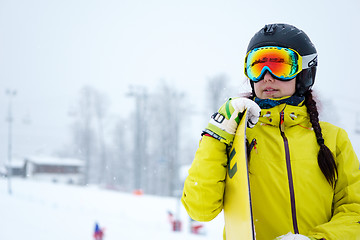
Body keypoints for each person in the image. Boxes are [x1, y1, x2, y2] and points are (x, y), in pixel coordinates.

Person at [181, 23, 360, 240]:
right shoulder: (236, 136)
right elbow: (200, 209)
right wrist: (217, 134)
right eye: (258, 67)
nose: (267, 77)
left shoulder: (333, 139)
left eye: (280, 66)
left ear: (304, 73)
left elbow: (354, 211)